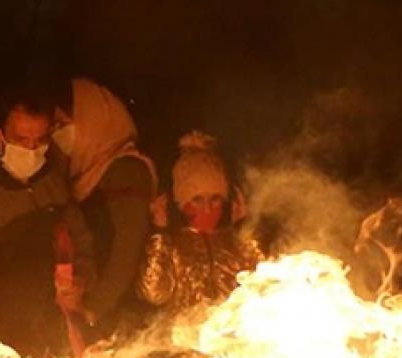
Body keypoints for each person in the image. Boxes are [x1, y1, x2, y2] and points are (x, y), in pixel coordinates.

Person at [0, 86, 95, 358]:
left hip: (62, 336)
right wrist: (2, 355)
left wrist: (81, 283)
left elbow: (82, 241)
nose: (31, 149)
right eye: (21, 139)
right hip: (10, 343)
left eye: (39, 140)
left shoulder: (53, 184)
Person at [52, 77, 156, 337]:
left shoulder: (126, 170)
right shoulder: (88, 172)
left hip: (119, 316)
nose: (57, 133)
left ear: (92, 122)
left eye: (64, 124)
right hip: (92, 306)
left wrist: (93, 309)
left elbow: (127, 249)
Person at [137, 131, 264, 313]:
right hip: (184, 337)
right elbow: (154, 293)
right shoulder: (172, 246)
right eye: (197, 199)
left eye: (215, 198)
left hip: (233, 335)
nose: (207, 208)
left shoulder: (234, 242)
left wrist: (243, 229)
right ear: (182, 203)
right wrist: (160, 233)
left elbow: (263, 281)